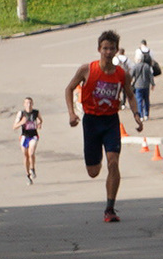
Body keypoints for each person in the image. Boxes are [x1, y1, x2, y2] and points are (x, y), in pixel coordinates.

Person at [66, 29, 141, 223]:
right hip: (91, 122)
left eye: (112, 48)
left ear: (117, 50)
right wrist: (72, 113)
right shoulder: (87, 69)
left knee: (114, 162)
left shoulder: (121, 74)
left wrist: (136, 114)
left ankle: (110, 208)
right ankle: (96, 158)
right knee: (93, 172)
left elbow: (130, 95)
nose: (108, 52)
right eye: (105, 48)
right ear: (99, 49)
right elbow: (69, 88)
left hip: (110, 121)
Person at [13, 95, 41, 183]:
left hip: (34, 135)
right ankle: (28, 175)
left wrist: (39, 124)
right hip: (24, 136)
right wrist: (22, 122)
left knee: (31, 152)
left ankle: (32, 168)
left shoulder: (36, 112)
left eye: (30, 103)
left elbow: (40, 120)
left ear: (32, 104)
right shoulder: (21, 114)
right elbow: (14, 127)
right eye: (27, 103)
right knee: (26, 155)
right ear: (24, 104)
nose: (28, 104)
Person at [129, 43, 157, 121]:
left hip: (138, 86)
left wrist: (129, 83)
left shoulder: (135, 67)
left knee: (139, 101)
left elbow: (131, 76)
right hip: (146, 85)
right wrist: (152, 84)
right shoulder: (147, 66)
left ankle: (140, 115)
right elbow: (151, 76)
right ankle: (146, 115)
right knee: (146, 100)